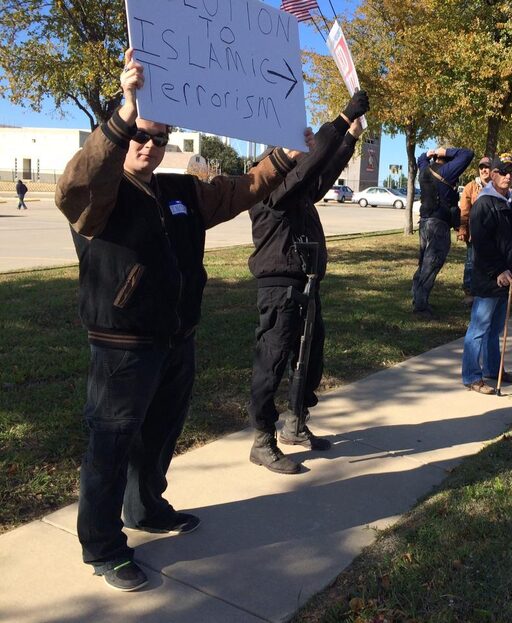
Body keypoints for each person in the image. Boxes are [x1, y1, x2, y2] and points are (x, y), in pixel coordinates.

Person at [54, 48, 301, 592]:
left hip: (176, 338)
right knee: (111, 444)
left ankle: (145, 509)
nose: (148, 145)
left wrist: (283, 156)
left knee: (160, 434)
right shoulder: (99, 197)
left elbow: (244, 188)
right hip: (122, 347)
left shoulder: (181, 191)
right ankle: (101, 545)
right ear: (121, 137)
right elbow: (73, 185)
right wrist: (124, 111)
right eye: (139, 136)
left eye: (159, 138)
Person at [247, 91, 370, 475]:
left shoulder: (297, 192)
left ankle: (296, 422)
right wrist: (340, 117)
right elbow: (306, 168)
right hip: (280, 286)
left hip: (307, 283)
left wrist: (349, 139)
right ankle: (262, 439)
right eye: (292, 149)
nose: (299, 153)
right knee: (275, 359)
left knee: (309, 357)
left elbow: (321, 173)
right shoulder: (267, 187)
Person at [461, 154, 512, 394]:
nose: (508, 176)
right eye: (503, 172)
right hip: (490, 277)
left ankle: (493, 369)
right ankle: (471, 376)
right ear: (493, 174)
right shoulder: (484, 203)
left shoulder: (507, 202)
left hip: (507, 277)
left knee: (495, 329)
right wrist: (498, 270)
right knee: (479, 328)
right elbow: (482, 243)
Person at [412, 145, 475, 319]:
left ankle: (417, 298)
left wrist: (428, 154)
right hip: (438, 224)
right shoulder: (447, 171)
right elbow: (467, 153)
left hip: (424, 222)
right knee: (431, 264)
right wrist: (445, 151)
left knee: (423, 263)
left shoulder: (425, 169)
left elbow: (421, 159)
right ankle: (421, 307)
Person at [458, 156, 492, 306]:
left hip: (491, 233)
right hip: (475, 233)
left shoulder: (496, 186)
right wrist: (463, 228)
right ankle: (469, 292)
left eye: (487, 167)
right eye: (482, 167)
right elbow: (464, 210)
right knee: (471, 262)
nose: (484, 170)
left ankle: (485, 290)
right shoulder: (471, 187)